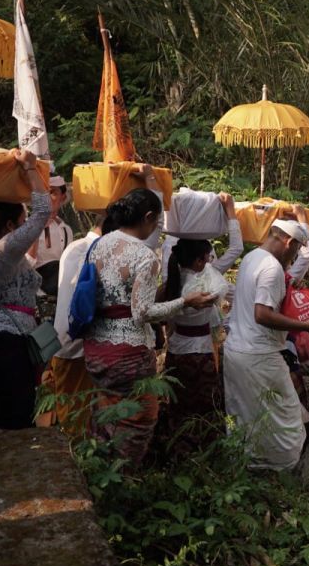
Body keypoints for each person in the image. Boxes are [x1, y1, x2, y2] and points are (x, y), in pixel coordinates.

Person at [86, 187, 215, 464]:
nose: (156, 228)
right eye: (156, 222)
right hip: (127, 352)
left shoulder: (100, 244)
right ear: (147, 217)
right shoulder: (144, 256)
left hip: (96, 347)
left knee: (105, 409)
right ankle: (123, 476)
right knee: (140, 416)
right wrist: (185, 302)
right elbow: (142, 312)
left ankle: (96, 469)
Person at [224, 217, 309, 470]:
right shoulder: (271, 267)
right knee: (288, 416)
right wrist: (307, 326)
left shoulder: (251, 257)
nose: (295, 255)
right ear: (288, 242)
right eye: (297, 249)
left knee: (245, 414)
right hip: (260, 354)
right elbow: (262, 313)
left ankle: (247, 465)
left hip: (237, 350)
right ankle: (280, 469)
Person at [0, 151, 52, 429]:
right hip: (6, 342)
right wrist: (30, 169)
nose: (29, 227)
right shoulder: (4, 249)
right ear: (10, 226)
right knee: (16, 416)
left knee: (4, 413)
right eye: (23, 222)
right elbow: (43, 211)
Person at [158, 193, 241, 453]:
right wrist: (230, 212)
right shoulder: (210, 278)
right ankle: (206, 455)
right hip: (202, 354)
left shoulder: (168, 282)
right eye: (207, 257)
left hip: (176, 352)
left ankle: (179, 454)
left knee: (178, 407)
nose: (209, 261)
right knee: (206, 408)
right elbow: (236, 248)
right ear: (199, 260)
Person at [49, 214, 106, 440]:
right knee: (79, 415)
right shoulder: (100, 251)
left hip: (62, 340)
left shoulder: (73, 247)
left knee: (70, 409)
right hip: (81, 343)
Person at [27, 176, 72, 301]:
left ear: (62, 197)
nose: (46, 198)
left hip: (60, 297)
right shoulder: (26, 226)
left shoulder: (66, 229)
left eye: (52, 192)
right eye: (43, 192)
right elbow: (23, 266)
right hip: (35, 298)